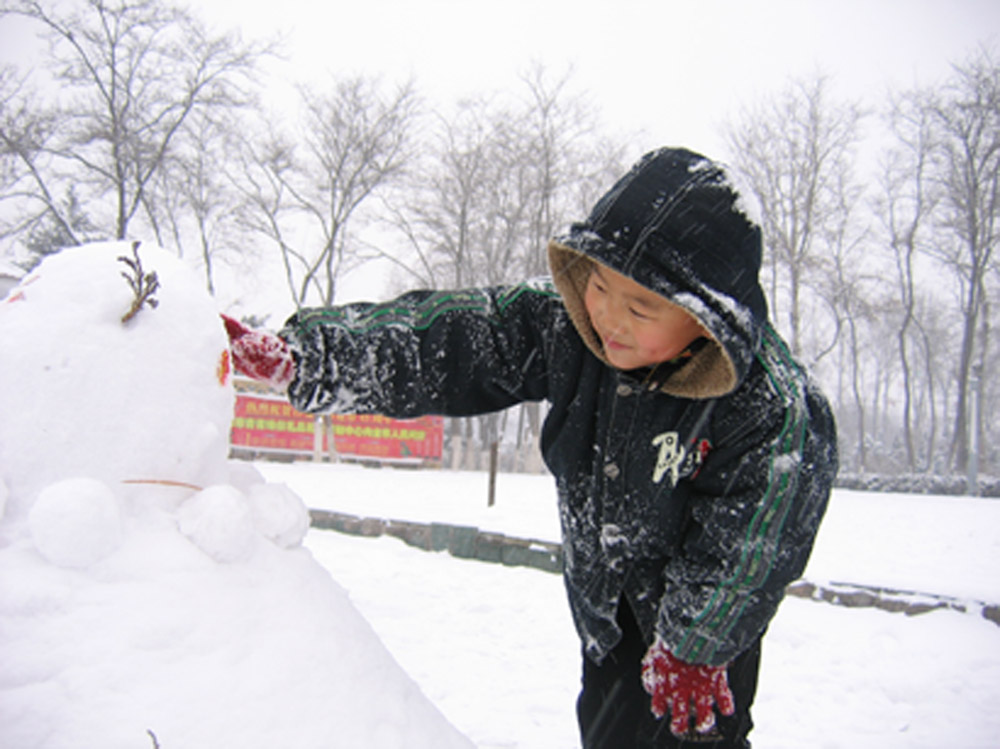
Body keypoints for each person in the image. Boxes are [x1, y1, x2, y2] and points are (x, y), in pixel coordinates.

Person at [223, 147, 838, 748]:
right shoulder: (566, 328)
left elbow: (757, 541)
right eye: (598, 286)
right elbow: (448, 338)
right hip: (604, 617)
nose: (609, 319)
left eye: (642, 307)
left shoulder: (771, 407)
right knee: (605, 730)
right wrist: (313, 357)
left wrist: (696, 645)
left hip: (697, 656)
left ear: (706, 318)